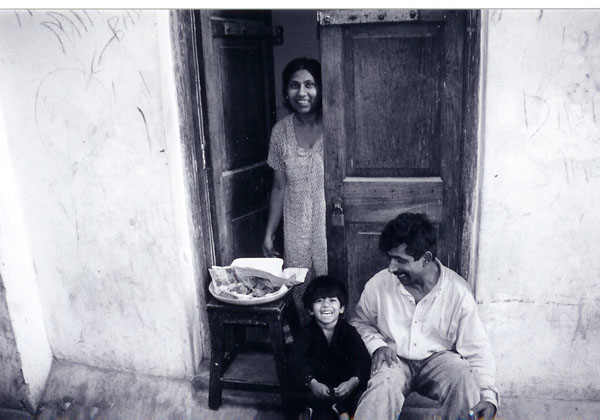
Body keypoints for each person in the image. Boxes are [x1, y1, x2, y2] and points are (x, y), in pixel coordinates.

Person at [350, 213, 499, 420]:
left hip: (439, 360)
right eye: (390, 258)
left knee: (463, 376)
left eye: (400, 260)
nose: (391, 267)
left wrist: (489, 396)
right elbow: (359, 323)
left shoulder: (458, 292)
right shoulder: (379, 283)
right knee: (382, 387)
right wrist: (377, 346)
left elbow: (477, 350)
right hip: (395, 359)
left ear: (426, 259)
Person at [262, 57, 327, 278]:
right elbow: (279, 188)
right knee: (300, 288)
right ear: (285, 92)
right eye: (294, 85)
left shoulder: (335, 124)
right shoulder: (280, 132)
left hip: (330, 225)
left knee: (334, 290)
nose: (301, 93)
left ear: (320, 87)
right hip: (296, 228)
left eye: (309, 84)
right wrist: (269, 234)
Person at [289, 275, 371, 420]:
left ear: (342, 308)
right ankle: (315, 410)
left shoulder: (349, 331)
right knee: (309, 401)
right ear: (310, 310)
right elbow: (297, 359)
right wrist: (312, 382)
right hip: (318, 388)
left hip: (344, 387)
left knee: (361, 398)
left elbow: (363, 358)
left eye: (332, 300)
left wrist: (353, 382)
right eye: (319, 301)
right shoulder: (306, 333)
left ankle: (343, 409)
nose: (326, 305)